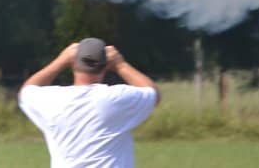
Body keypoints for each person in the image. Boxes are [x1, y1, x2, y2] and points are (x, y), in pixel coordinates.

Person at [18, 38, 159, 168]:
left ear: (73, 63)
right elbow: (153, 93)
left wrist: (60, 61)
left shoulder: (53, 100)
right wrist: (121, 65)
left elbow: (26, 92)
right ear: (106, 65)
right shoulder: (117, 98)